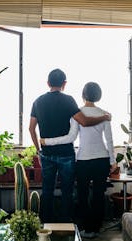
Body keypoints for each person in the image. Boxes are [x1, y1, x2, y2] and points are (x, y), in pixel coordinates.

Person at [29, 69, 110, 223]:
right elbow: (84, 121)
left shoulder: (37, 101)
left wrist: (38, 150)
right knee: (67, 191)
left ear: (48, 83)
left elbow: (31, 128)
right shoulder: (68, 100)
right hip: (66, 154)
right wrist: (104, 117)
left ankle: (45, 225)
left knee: (47, 191)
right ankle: (66, 227)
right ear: (64, 84)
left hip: (46, 153)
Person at [41, 81, 117, 238]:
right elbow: (109, 141)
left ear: (83, 95)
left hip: (83, 160)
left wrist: (47, 141)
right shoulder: (105, 114)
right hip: (102, 159)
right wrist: (113, 161)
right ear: (98, 96)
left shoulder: (78, 113)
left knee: (82, 195)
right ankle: (95, 228)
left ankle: (86, 229)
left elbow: (71, 137)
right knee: (98, 195)